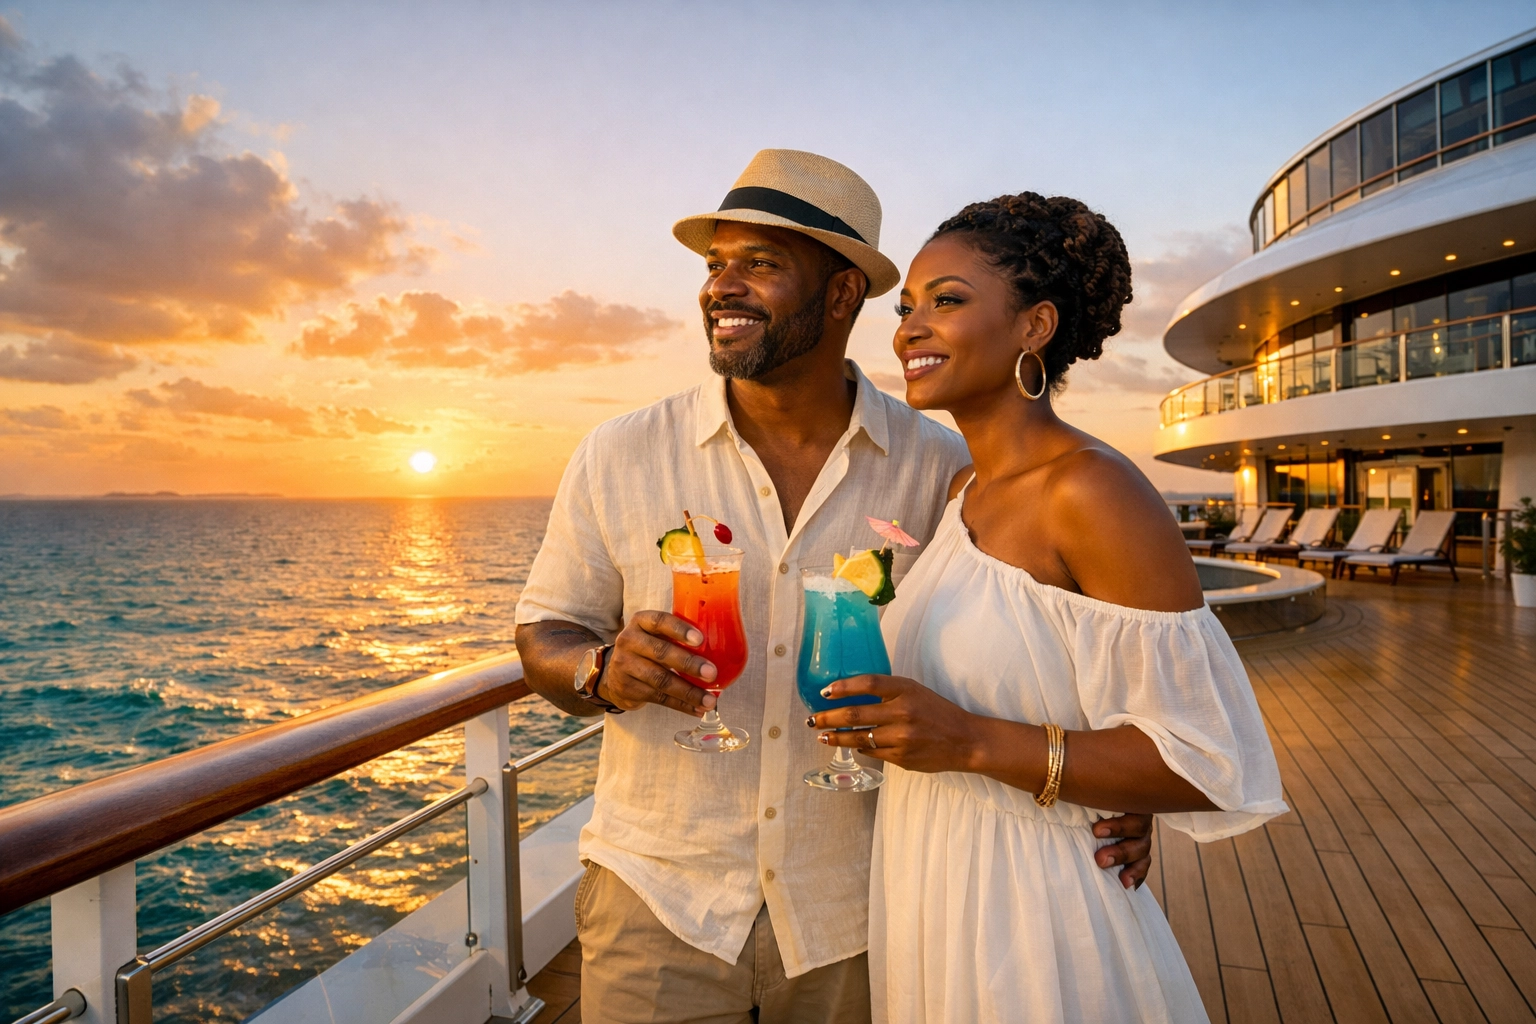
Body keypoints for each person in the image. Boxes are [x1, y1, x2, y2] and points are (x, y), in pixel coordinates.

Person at [514, 153, 1155, 1023]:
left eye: (762, 264)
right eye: (714, 265)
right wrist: (597, 671)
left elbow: (1042, 644)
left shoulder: (945, 472)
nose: (721, 288)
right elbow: (545, 630)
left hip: (864, 904)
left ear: (844, 294)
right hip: (658, 900)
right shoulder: (618, 452)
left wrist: (1102, 783)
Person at [809, 193, 1287, 1022]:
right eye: (907, 307)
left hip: (1029, 908)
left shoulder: (1093, 491)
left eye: (947, 301)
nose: (909, 329)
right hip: (928, 875)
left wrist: (970, 739)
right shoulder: (962, 490)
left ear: (1034, 327)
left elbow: (1208, 761)